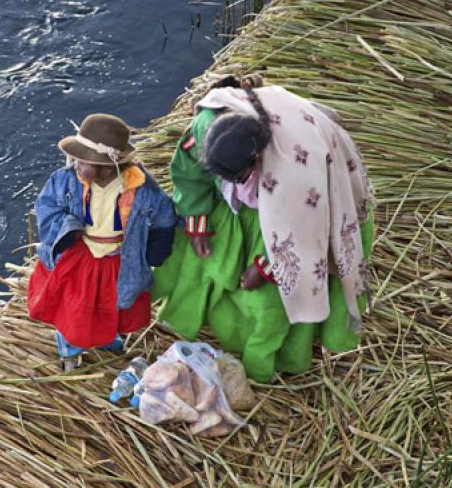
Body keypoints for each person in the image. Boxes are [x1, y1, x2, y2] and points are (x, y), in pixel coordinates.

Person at [153, 76, 375, 383]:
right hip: (262, 188)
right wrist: (198, 221)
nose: (230, 183)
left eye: (237, 177)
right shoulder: (206, 127)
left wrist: (266, 267)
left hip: (311, 191)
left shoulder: (294, 171)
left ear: (256, 160)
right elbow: (188, 170)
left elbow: (305, 230)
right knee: (203, 259)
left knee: (272, 299)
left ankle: (275, 359)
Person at [28, 113, 176, 370]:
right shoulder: (66, 180)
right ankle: (71, 348)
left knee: (114, 304)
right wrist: (65, 231)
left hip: (120, 258)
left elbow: (164, 212)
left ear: (106, 165)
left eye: (82, 160)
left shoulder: (138, 185)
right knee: (74, 308)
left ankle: (107, 336)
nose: (75, 164)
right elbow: (46, 206)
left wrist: (158, 245)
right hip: (81, 255)